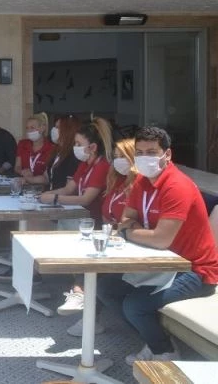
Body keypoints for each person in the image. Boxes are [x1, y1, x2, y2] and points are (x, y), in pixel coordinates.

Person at [100, 126, 218, 365]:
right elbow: (125, 219)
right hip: (160, 263)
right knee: (106, 288)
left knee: (135, 305)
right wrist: (140, 231)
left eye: (152, 152)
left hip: (195, 270)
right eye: (140, 153)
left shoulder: (177, 186)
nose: (145, 158)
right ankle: (154, 340)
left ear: (167, 154)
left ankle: (165, 352)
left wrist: (131, 231)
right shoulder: (141, 182)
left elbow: (161, 239)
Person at [57, 138, 139, 336]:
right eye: (116, 157)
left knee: (98, 273)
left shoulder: (139, 185)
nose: (117, 161)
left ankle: (81, 298)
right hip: (113, 238)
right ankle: (87, 312)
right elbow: (107, 215)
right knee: (85, 254)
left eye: (123, 157)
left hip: (131, 242)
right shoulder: (116, 182)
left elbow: (130, 221)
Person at [39, 118, 112, 224]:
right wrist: (45, 194)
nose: (75, 147)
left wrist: (54, 198)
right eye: (75, 143)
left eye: (79, 144)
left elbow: (85, 199)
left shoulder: (102, 166)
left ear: (93, 147)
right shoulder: (84, 163)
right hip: (81, 218)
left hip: (95, 223)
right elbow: (68, 189)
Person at [14, 113, 55, 186]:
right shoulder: (22, 144)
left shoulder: (51, 148)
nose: (29, 130)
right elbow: (17, 166)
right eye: (27, 128)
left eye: (32, 128)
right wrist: (22, 171)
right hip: (23, 185)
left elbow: (47, 176)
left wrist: (30, 179)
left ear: (42, 128)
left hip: (42, 188)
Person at [46, 115, 82, 190]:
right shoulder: (56, 150)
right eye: (54, 127)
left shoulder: (74, 155)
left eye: (57, 127)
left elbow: (70, 189)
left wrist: (51, 195)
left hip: (61, 196)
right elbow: (47, 176)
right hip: (52, 194)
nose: (54, 130)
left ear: (67, 130)